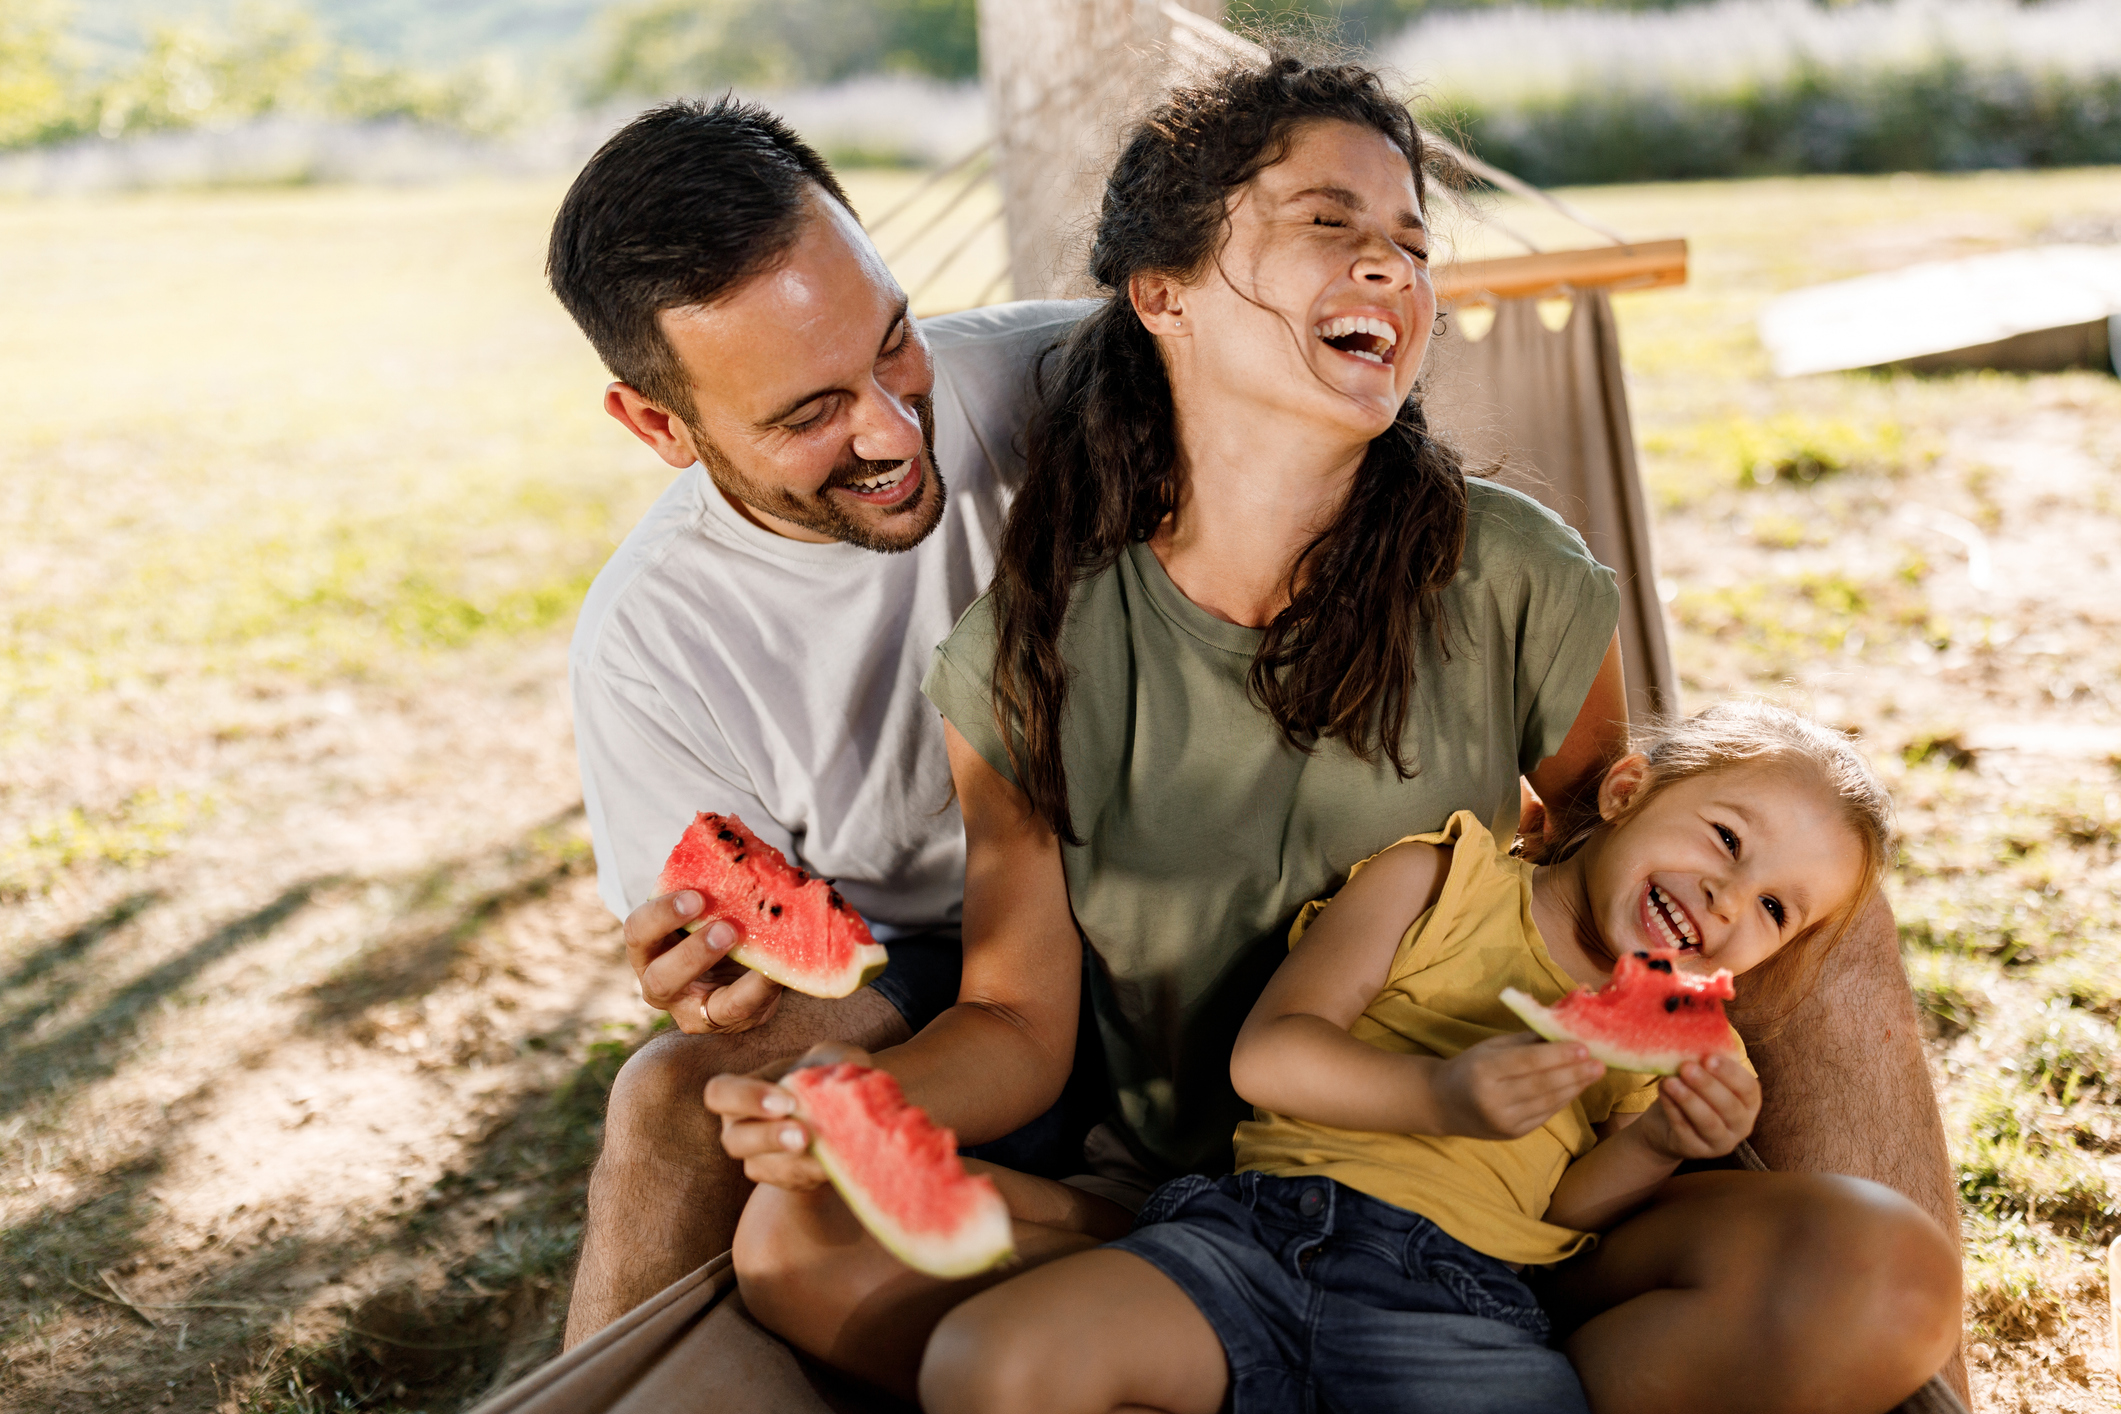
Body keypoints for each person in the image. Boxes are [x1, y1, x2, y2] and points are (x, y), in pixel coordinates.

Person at [721, 54, 1962, 1409]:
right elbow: (1017, 1016)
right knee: (798, 1240)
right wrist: (848, 1098)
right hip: (1189, 1208)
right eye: (1330, 225)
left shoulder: (1516, 574)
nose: (1389, 266)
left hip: (1522, 1214)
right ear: (1165, 293)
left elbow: (1602, 841)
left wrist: (1663, 1103)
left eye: (1412, 243)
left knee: (1885, 1274)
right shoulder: (1033, 654)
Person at [920, 702, 1959, 1414]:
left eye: (1776, 908)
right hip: (1259, 1239)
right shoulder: (1439, 878)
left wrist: (1658, 1145)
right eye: (1727, 838)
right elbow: (1270, 1058)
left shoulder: (1694, 1044)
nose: (1732, 898)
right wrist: (1439, 1090)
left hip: (1467, 1304)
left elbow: (1565, 1214)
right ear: (1628, 789)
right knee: (987, 1360)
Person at [545, 96, 1086, 1344]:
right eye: (807, 415)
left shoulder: (1073, 374)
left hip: (1176, 891)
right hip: (925, 980)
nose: (896, 430)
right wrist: (712, 984)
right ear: (658, 427)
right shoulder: (648, 645)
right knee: (670, 1093)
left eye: (894, 340)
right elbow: (733, 971)